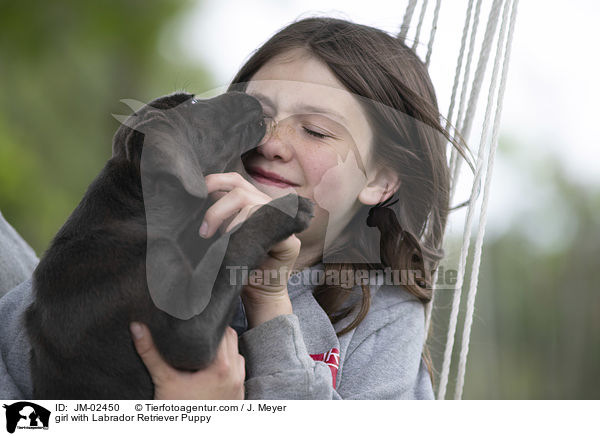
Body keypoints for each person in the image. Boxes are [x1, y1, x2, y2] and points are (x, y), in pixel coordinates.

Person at [0, 17, 465, 400]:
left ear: (381, 181)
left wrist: (268, 300)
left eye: (316, 131)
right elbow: (22, 352)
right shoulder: (158, 227)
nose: (272, 143)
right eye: (258, 117)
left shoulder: (384, 316)